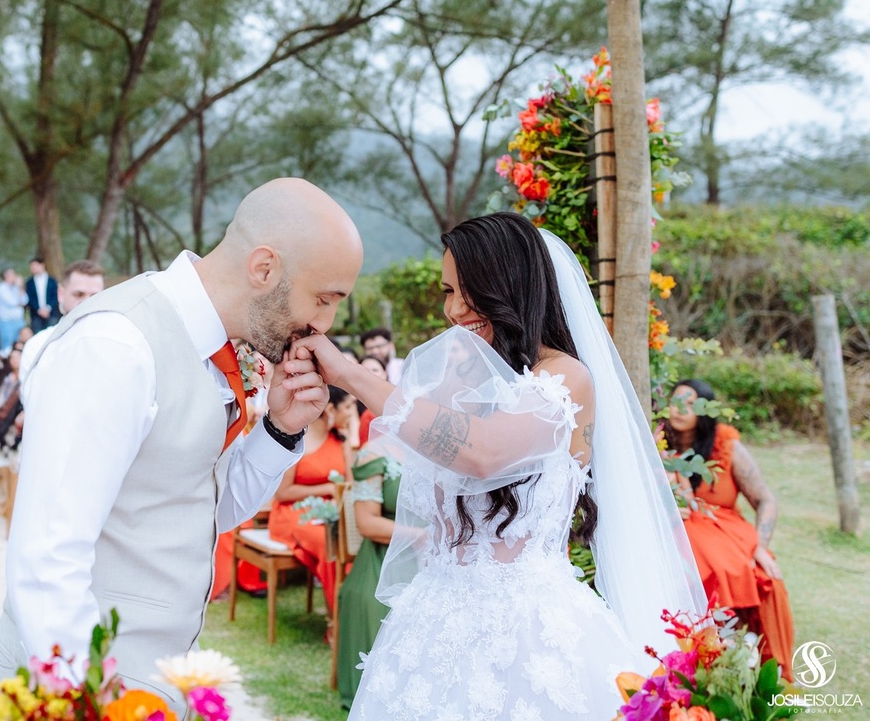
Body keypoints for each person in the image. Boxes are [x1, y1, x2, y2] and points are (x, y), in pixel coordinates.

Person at [295, 213, 705, 720]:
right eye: (447, 291)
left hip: (528, 632)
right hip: (432, 624)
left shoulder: (566, 378)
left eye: (468, 290)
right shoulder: (458, 376)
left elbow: (482, 453)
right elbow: (409, 450)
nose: (454, 309)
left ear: (509, 286)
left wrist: (350, 374)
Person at [0, 178, 363, 709]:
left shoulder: (212, 347)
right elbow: (48, 555)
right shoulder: (117, 345)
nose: (323, 326)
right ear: (264, 269)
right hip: (94, 686)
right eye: (323, 300)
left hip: (158, 681)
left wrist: (279, 429)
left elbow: (201, 506)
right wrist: (91, 702)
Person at [664, 378, 795, 680]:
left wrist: (759, 546)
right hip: (686, 533)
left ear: (705, 411)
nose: (680, 409)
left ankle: (766, 670)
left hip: (730, 533)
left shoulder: (726, 445)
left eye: (690, 403)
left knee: (765, 577)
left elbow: (766, 500)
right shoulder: (658, 443)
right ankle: (707, 657)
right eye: (675, 401)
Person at [268, 385, 356, 616]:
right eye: (347, 407)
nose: (351, 413)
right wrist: (326, 488)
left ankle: (353, 612)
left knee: (353, 541)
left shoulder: (342, 439)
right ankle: (336, 619)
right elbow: (283, 493)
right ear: (329, 409)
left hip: (331, 511)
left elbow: (350, 485)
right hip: (294, 512)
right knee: (329, 545)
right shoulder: (299, 439)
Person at [336, 437, 401, 707]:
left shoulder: (440, 450)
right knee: (372, 602)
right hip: (382, 558)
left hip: (437, 559)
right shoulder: (376, 453)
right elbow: (367, 523)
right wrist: (422, 537)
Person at [19, 261, 107, 377]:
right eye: (78, 294)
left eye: (94, 296)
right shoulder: (37, 348)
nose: (87, 303)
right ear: (61, 294)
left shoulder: (116, 345)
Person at [355, 355, 386, 446]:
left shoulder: (394, 401)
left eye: (375, 370)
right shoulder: (350, 403)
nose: (371, 374)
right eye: (365, 371)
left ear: (384, 373)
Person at [0, 268, 28, 352]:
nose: (14, 277)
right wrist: (19, 303)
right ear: (5, 276)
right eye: (12, 274)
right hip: (6, 322)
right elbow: (12, 302)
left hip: (19, 321)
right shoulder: (1, 288)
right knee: (7, 346)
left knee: (20, 344)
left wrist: (20, 287)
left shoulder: (17, 287)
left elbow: (25, 301)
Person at [25, 257, 61, 333]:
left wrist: (47, 308)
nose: (33, 268)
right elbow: (29, 298)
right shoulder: (29, 282)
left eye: (35, 266)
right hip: (36, 315)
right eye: (32, 267)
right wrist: (39, 309)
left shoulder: (52, 281)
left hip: (51, 314)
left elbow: (55, 296)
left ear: (42, 265)